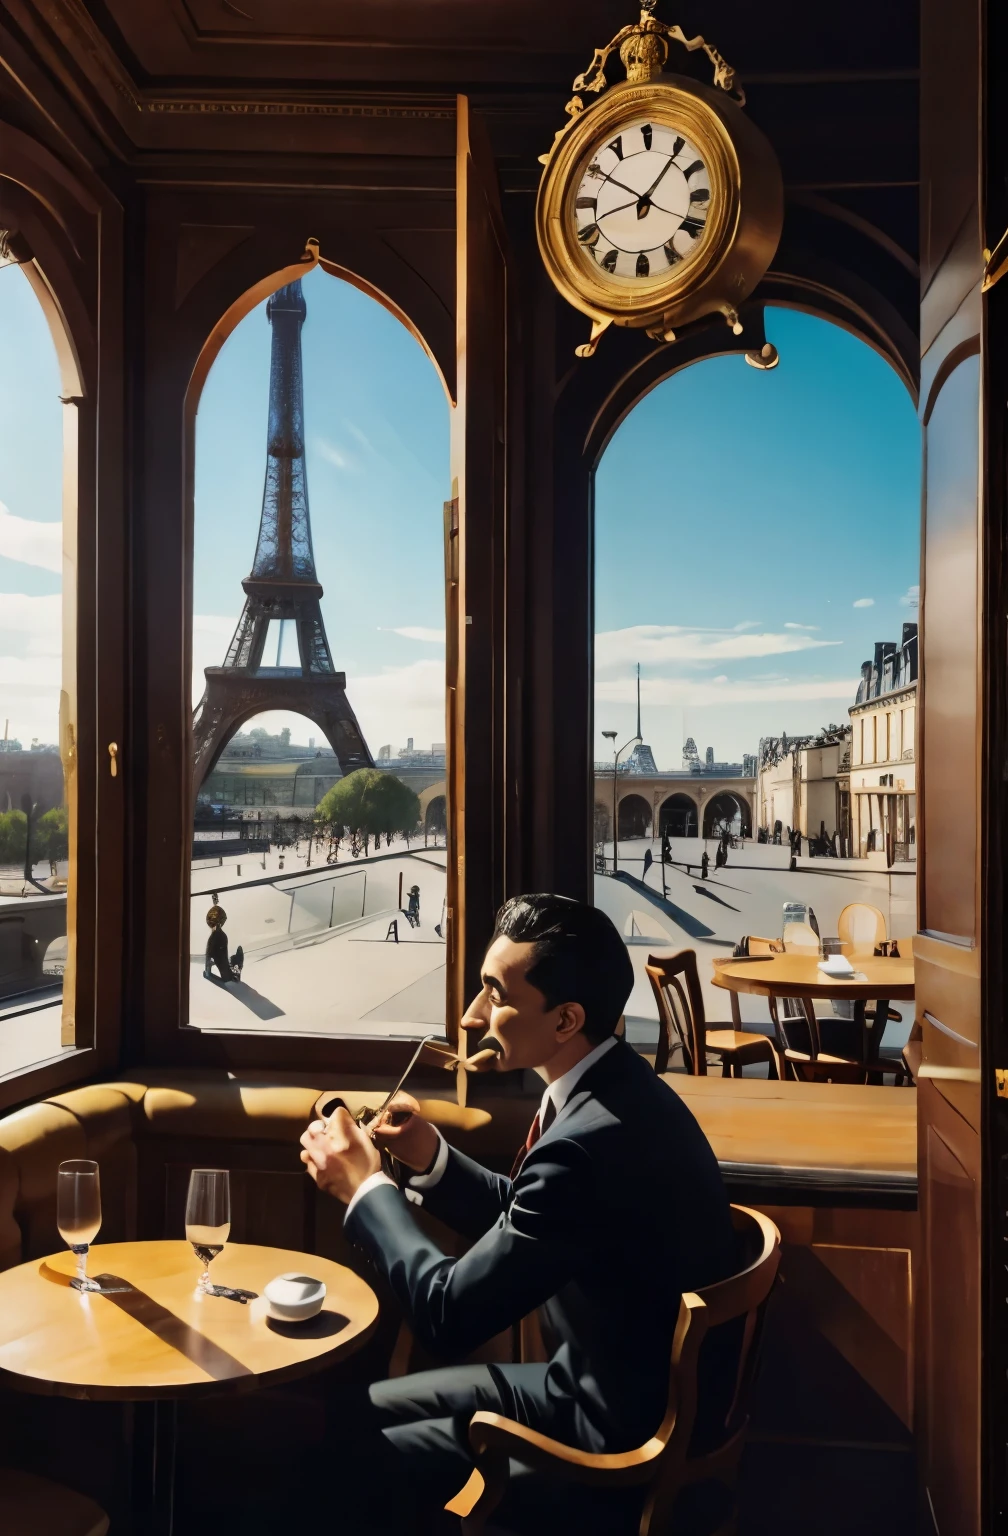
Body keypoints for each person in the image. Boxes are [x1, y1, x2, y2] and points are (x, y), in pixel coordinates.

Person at [300, 894, 738, 1533]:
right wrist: (432, 1159)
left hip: (607, 1446)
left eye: (495, 994)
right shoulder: (612, 1089)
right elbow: (539, 1220)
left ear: (566, 1020)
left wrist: (366, 1189)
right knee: (358, 1410)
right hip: (593, 1390)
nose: (473, 1016)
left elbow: (447, 1315)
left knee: (352, 1447)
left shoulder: (585, 1145)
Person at [203, 896, 243, 983]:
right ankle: (235, 970)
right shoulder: (221, 937)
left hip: (216, 953)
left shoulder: (216, 936)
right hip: (222, 963)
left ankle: (233, 968)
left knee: (219, 940)